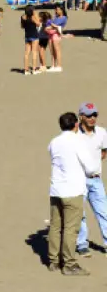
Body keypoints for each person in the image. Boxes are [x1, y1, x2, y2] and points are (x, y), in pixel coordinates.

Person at [47, 112, 99, 275]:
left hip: (56, 190)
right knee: (71, 229)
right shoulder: (78, 142)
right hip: (73, 191)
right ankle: (69, 264)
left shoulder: (54, 142)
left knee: (56, 227)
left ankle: (53, 261)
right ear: (76, 124)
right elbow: (90, 167)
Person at [75, 104, 107, 257]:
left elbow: (103, 152)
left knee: (104, 212)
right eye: (88, 115)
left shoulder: (101, 132)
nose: (92, 118)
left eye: (94, 115)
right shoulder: (74, 135)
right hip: (78, 180)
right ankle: (82, 244)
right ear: (81, 116)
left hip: (96, 180)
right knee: (80, 214)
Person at [20, 6, 39, 76]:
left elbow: (22, 26)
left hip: (27, 35)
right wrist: (36, 16)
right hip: (34, 35)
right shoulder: (33, 17)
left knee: (26, 53)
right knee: (34, 52)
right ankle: (34, 69)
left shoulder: (23, 17)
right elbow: (38, 24)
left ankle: (26, 70)